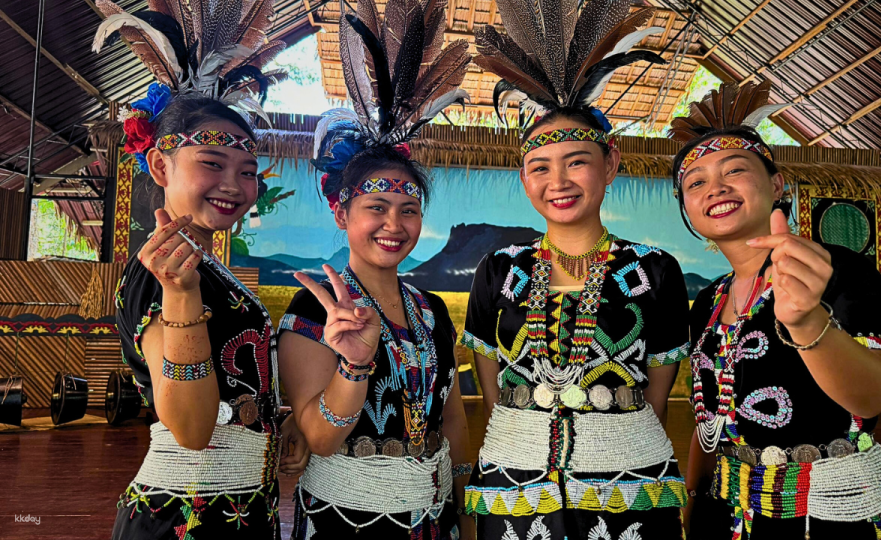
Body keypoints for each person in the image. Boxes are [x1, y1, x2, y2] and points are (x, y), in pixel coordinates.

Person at [462, 3, 689, 538]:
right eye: (540, 167)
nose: (558, 181)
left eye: (577, 162)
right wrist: (522, 430)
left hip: (627, 476)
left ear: (609, 165)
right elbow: (486, 367)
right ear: (525, 180)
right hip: (516, 478)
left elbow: (656, 391)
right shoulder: (499, 268)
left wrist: (617, 431)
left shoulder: (655, 269)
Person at [100, 1, 309, 538]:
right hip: (185, 517)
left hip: (238, 509)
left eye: (246, 171)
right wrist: (181, 294)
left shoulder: (207, 263)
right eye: (212, 165)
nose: (235, 186)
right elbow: (191, 428)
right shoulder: (162, 271)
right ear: (160, 165)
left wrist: (272, 423)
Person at [671, 81, 881, 540]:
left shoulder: (839, 269)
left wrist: (806, 323)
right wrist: (691, 505)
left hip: (834, 517)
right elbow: (709, 422)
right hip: (726, 514)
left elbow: (872, 396)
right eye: (695, 182)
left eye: (734, 170)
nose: (715, 188)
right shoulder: (708, 300)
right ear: (687, 206)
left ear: (776, 184)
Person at [276, 1, 474, 538]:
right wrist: (355, 367)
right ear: (342, 213)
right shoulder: (313, 309)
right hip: (349, 522)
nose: (394, 223)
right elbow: (318, 438)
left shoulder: (429, 311)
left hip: (434, 520)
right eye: (376, 208)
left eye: (409, 209)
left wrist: (466, 508)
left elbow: (451, 419)